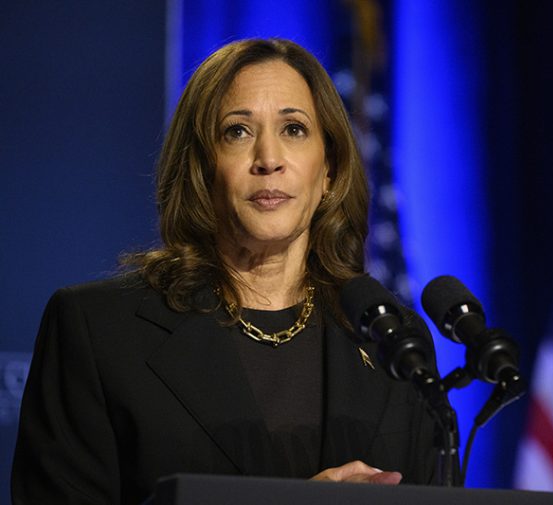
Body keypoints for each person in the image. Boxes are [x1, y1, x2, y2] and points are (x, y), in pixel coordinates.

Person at [11, 38, 439, 504]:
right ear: (201, 167)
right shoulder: (98, 332)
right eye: (237, 132)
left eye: (294, 129)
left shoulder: (392, 341)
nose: (268, 159)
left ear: (330, 168)